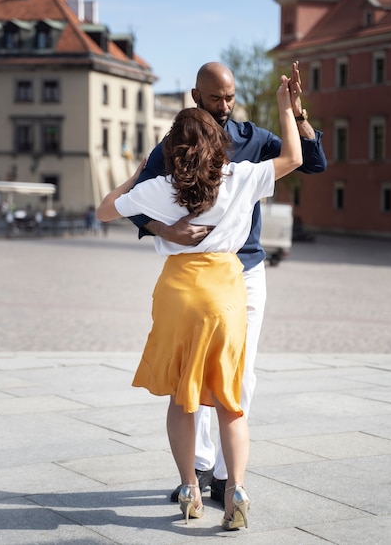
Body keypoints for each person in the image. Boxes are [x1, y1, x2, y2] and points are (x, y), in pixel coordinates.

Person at [96, 77, 303, 530]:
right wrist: (287, 107)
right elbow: (295, 158)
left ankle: (190, 487)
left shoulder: (161, 189)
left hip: (178, 291)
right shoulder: (239, 178)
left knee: (183, 395)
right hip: (226, 289)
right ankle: (236, 491)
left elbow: (105, 210)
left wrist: (137, 176)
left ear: (175, 149)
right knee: (230, 398)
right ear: (217, 142)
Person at [128, 61, 327, 505]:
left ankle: (225, 478)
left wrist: (298, 114)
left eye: (230, 97)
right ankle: (195, 471)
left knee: (241, 376)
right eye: (215, 98)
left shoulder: (251, 138)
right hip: (195, 275)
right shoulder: (175, 144)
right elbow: (135, 202)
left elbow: (312, 162)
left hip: (247, 272)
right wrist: (166, 230)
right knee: (193, 377)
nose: (224, 106)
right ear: (196, 96)